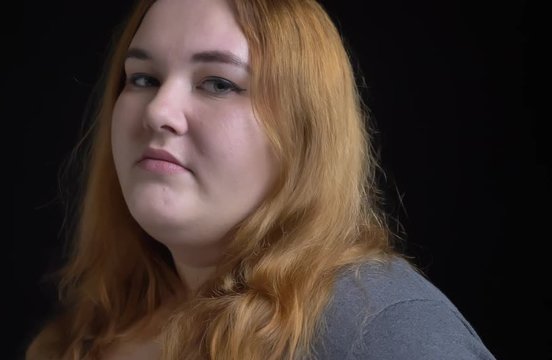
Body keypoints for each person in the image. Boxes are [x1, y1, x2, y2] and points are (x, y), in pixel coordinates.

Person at [26, 0, 496, 359]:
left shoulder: (378, 328)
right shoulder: (89, 331)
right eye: (143, 78)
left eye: (218, 83)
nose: (158, 112)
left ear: (302, 132)